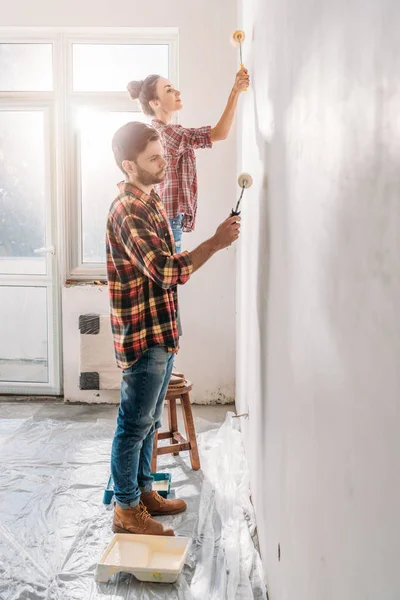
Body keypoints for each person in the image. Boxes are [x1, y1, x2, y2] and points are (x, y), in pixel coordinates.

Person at [106, 121, 240, 536]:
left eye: (163, 154)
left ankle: (144, 492)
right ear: (129, 166)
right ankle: (126, 510)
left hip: (161, 331)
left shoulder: (151, 200)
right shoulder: (128, 210)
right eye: (154, 159)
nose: (165, 163)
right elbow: (165, 270)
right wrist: (215, 243)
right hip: (143, 336)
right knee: (134, 423)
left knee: (148, 421)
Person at [127, 69, 249, 251]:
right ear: (155, 103)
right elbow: (219, 133)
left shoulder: (158, 133)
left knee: (168, 273)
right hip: (169, 219)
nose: (177, 93)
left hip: (163, 217)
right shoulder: (169, 134)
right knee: (171, 273)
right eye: (169, 90)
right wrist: (235, 91)